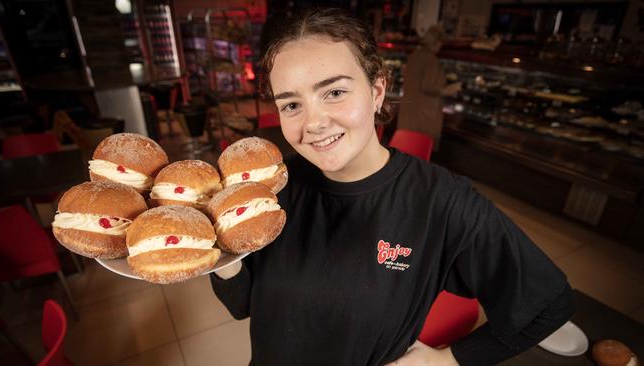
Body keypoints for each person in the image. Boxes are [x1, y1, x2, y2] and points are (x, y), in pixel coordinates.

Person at [211, 7, 574, 366]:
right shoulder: (271, 189)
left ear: (377, 91)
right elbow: (242, 306)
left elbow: (547, 306)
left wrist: (449, 360)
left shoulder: (442, 203)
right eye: (291, 104)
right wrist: (219, 247)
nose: (314, 123)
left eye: (334, 92)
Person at [397, 25, 461, 151]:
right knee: (420, 152)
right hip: (424, 114)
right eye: (441, 43)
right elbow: (427, 86)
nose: (441, 47)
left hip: (409, 109)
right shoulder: (431, 60)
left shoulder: (415, 55)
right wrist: (447, 90)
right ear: (436, 42)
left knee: (406, 149)